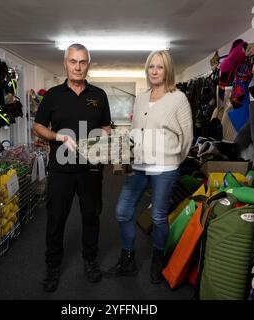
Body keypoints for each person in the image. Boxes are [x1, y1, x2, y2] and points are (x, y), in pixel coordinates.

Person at [104, 50, 193, 284]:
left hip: (165, 167)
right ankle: (128, 260)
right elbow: (135, 132)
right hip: (139, 165)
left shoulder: (178, 98)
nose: (154, 71)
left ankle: (158, 259)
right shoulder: (141, 97)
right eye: (151, 66)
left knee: (158, 216)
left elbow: (187, 138)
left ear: (167, 70)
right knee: (123, 212)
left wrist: (173, 159)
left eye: (160, 67)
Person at [33, 43, 112, 292]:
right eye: (73, 61)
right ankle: (53, 266)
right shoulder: (53, 95)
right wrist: (59, 137)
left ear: (88, 64)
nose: (78, 67)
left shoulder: (99, 95)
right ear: (65, 64)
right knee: (56, 219)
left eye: (83, 62)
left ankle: (90, 261)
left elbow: (107, 127)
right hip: (61, 170)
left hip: (90, 169)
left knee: (91, 216)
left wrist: (99, 134)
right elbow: (38, 126)